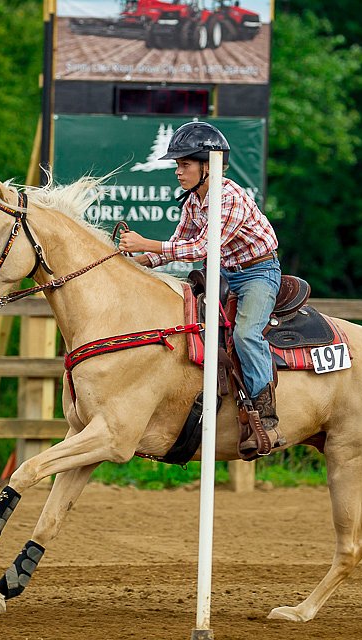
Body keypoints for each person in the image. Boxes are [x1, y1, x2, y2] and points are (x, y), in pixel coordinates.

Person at [118, 121, 284, 457]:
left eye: (184, 165)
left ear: (208, 166)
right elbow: (179, 242)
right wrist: (139, 263)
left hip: (258, 273)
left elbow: (200, 248)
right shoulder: (194, 199)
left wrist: (145, 242)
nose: (178, 172)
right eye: (178, 165)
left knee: (245, 334)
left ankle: (266, 416)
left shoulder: (230, 197)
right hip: (224, 271)